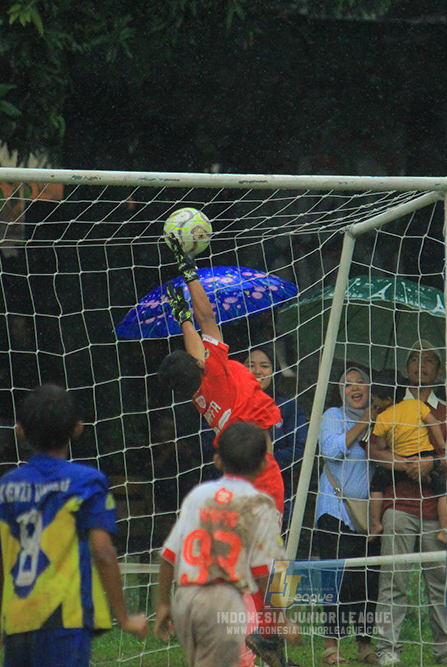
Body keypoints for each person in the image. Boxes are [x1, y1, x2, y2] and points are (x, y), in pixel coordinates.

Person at [157, 234, 288, 666]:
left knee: (248, 560)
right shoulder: (212, 370)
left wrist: (182, 320)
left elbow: (196, 333)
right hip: (262, 468)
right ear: (196, 363)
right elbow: (207, 315)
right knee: (267, 559)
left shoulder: (197, 392)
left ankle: (258, 640)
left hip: (238, 470)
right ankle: (271, 633)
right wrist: (188, 271)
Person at [0, 385, 148, 666]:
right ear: (78, 429)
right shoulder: (87, 481)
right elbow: (104, 553)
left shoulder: (9, 483)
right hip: (63, 618)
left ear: (20, 431)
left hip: (18, 616)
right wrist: (123, 617)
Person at [368, 340, 447, 666]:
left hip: (437, 510)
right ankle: (388, 649)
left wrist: (431, 464)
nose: (420, 365)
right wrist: (404, 465)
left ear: (439, 371)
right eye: (414, 359)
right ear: (405, 368)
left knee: (440, 585)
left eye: (429, 360)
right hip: (398, 504)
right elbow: (372, 451)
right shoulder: (390, 407)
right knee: (393, 580)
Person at [156, 422, 294, 667]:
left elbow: (169, 555)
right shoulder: (260, 504)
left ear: (218, 460)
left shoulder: (199, 495)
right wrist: (279, 620)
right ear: (264, 464)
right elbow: (265, 571)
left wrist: (165, 602)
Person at [314, 367, 380, 666]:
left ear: (369, 389)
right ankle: (331, 647)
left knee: (365, 581)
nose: (355, 388)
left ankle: (364, 644)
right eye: (348, 384)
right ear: (340, 391)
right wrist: (363, 422)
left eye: (361, 383)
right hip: (335, 511)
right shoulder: (331, 415)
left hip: (368, 514)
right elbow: (331, 451)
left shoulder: (381, 420)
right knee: (334, 581)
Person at [367, 374, 447, 544]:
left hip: (401, 460)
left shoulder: (383, 417)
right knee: (442, 489)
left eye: (375, 399)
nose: (374, 403)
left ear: (388, 400)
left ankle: (375, 524)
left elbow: (380, 446)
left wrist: (378, 423)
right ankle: (444, 529)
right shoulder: (416, 404)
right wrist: (441, 444)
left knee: (376, 485)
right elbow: (433, 423)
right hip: (426, 455)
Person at [243, 345, 309, 521]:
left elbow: (301, 450)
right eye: (250, 365)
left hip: (275, 499)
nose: (257, 371)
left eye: (264, 366)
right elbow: (207, 440)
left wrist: (263, 463)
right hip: (234, 496)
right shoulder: (229, 403)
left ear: (274, 371)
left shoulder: (288, 408)